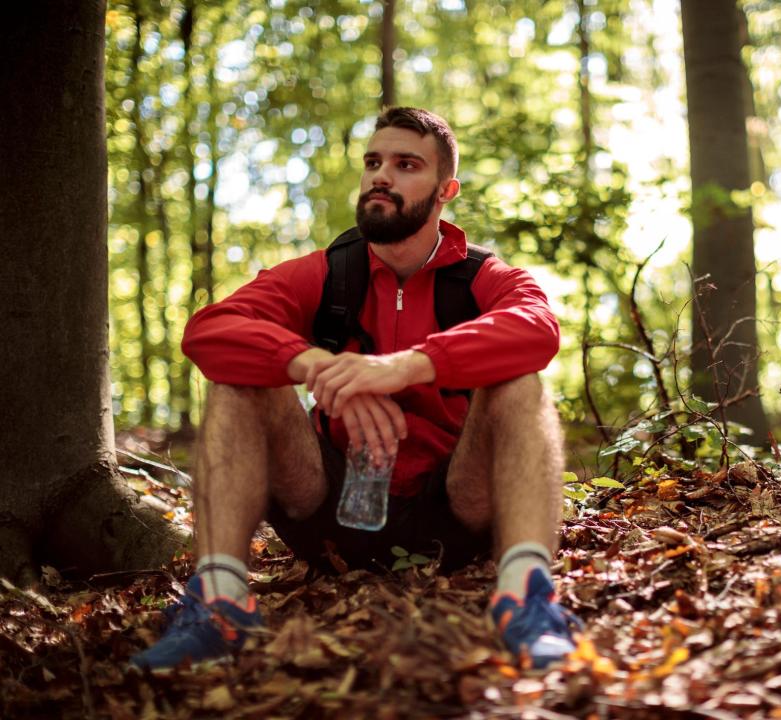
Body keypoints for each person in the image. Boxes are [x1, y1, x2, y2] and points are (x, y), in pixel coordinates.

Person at [131, 107, 580, 673]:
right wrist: (314, 363)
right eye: (373, 162)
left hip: (453, 510)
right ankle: (220, 605)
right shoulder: (325, 273)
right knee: (239, 380)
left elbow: (536, 330)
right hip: (328, 507)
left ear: (446, 190)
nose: (381, 176)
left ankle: (525, 600)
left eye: (405, 164)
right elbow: (210, 330)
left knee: (518, 379)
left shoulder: (486, 277)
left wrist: (406, 367)